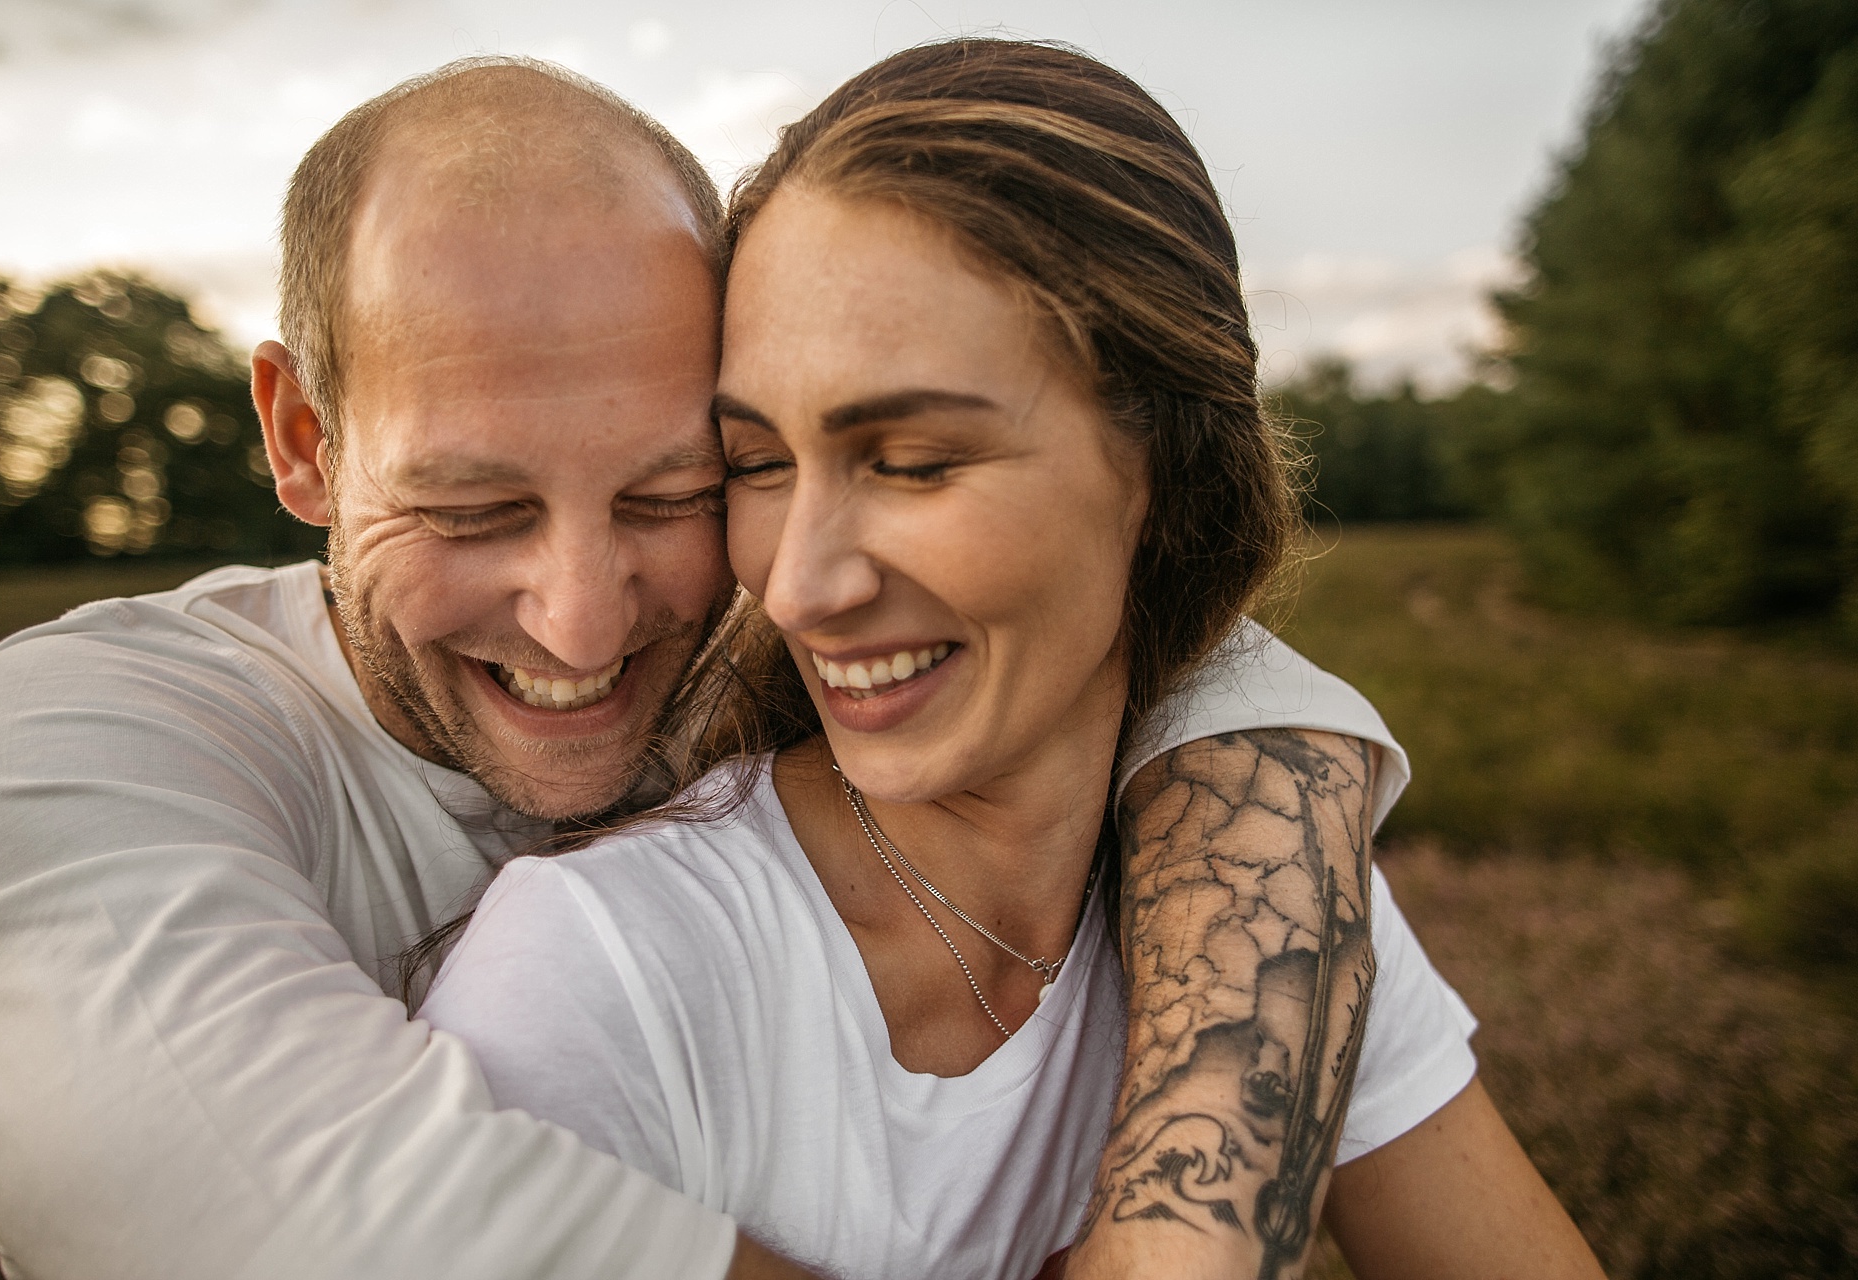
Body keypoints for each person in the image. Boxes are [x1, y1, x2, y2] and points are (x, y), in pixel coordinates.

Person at [0, 55, 1411, 1280]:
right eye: (472, 510)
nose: (585, 625)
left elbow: (1096, 625)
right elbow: (322, 1233)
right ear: (303, 439)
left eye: (676, 492)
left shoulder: (811, 660)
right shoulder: (59, 755)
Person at [419, 41, 1605, 1280]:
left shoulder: (1271, 893)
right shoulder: (601, 969)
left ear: (1158, 467)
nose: (803, 581)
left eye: (916, 460)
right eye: (758, 463)